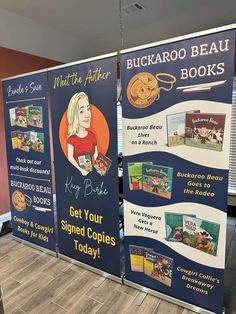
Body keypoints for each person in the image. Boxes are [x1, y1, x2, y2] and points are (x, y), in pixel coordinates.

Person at [67, 92, 98, 176]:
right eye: (81, 111)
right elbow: (70, 158)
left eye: (88, 109)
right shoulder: (71, 139)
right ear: (74, 115)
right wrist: (81, 170)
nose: (87, 114)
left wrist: (100, 169)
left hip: (93, 174)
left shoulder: (92, 135)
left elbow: (96, 154)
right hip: (75, 177)